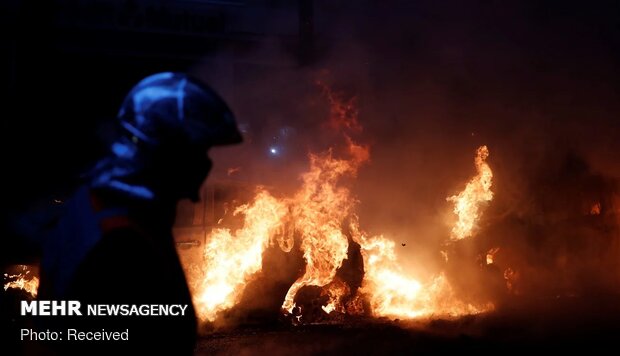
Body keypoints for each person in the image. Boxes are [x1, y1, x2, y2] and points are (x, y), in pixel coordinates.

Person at [35, 72, 242, 354]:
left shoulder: (95, 203)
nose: (205, 164)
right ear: (166, 152)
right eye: (197, 150)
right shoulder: (122, 246)